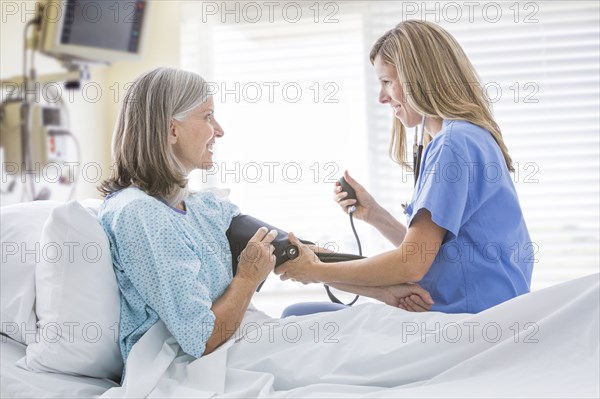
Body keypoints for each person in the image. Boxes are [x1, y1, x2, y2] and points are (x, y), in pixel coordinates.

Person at [97, 67, 434, 369]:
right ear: (173, 130)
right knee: (366, 349)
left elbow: (291, 251)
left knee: (370, 328)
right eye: (208, 116)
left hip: (247, 341)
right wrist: (246, 278)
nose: (219, 130)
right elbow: (202, 340)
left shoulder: (201, 208)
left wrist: (385, 292)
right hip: (192, 367)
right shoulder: (139, 214)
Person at [276, 20, 534, 314]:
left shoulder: (453, 144)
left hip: (466, 318)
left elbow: (412, 263)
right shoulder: (469, 137)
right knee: (302, 314)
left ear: (418, 78)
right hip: (478, 309)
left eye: (387, 82)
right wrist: (375, 215)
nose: (382, 97)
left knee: (296, 315)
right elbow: (435, 254)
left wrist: (317, 271)